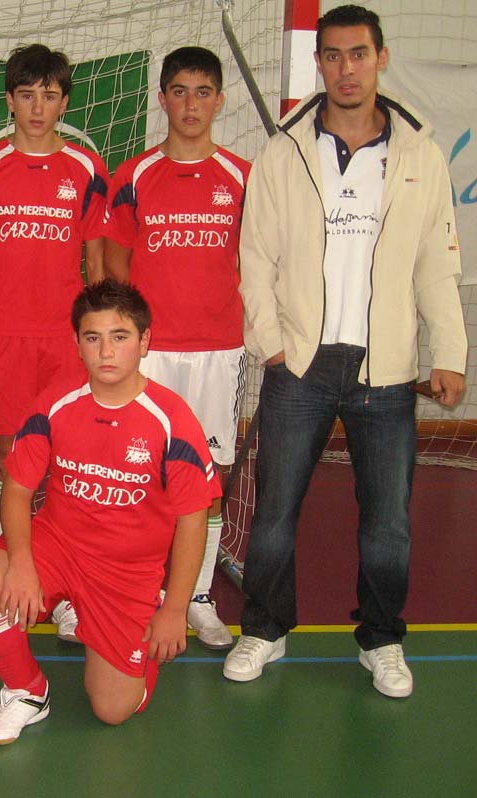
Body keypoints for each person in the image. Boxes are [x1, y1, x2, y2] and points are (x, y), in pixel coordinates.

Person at [226, 4, 467, 698]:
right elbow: (256, 256)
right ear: (319, 64)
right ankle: (265, 629)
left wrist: (447, 354)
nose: (346, 68)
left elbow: (435, 264)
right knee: (273, 515)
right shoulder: (284, 150)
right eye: (332, 55)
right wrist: (272, 345)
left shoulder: (420, 155)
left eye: (358, 54)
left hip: (385, 371)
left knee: (388, 522)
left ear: (381, 58)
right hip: (299, 366)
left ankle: (383, 640)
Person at [0, 278, 219, 744]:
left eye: (120, 337)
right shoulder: (56, 404)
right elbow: (17, 490)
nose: (106, 351)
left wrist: (175, 608)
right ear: (77, 344)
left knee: (113, 710)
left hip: (127, 571)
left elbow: (192, 520)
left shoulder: (173, 422)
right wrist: (22, 564)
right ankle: (26, 691)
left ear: (144, 343)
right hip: (58, 544)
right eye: (92, 338)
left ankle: (131, 636)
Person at [0, 44, 109, 643]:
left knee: (70, 463)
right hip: (3, 337)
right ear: (10, 100)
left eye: (50, 95)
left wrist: (105, 346)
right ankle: (16, 572)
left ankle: (71, 588)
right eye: (27, 95)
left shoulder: (87, 169)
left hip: (66, 340)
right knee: (10, 463)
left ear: (65, 101)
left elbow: (97, 262)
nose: (38, 107)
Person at [105, 46, 250, 651]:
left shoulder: (243, 176)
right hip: (152, 353)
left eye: (203, 92)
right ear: (161, 99)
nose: (191, 104)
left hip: (218, 351)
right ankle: (132, 589)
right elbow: (114, 266)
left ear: (219, 100)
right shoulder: (134, 176)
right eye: (180, 92)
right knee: (137, 468)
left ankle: (194, 593)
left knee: (206, 475)